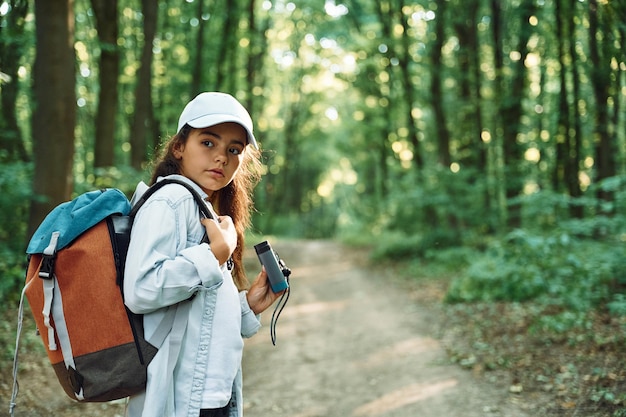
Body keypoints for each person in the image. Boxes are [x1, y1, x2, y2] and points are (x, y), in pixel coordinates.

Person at [123, 92, 285, 417]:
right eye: (208, 143)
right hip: (185, 400)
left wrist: (247, 306)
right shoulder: (170, 201)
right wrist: (212, 256)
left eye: (234, 149)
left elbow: (198, 311)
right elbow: (141, 290)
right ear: (179, 147)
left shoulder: (203, 208)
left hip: (210, 395)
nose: (221, 157)